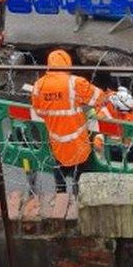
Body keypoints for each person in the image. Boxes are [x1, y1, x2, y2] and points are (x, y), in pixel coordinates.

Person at [31, 49, 108, 193]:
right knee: (81, 179)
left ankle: (61, 197)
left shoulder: (38, 86)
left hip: (57, 144)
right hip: (79, 144)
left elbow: (39, 111)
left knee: (59, 173)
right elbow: (100, 99)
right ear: (67, 64)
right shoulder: (75, 83)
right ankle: (79, 197)